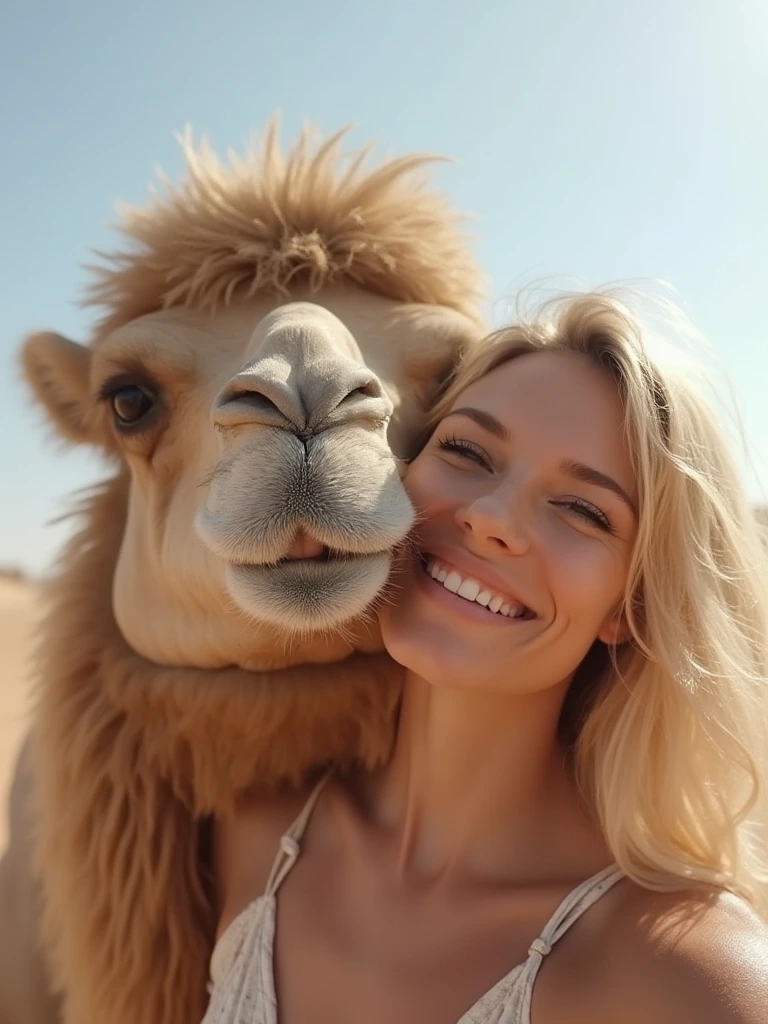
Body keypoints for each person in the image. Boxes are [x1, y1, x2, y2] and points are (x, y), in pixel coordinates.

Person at [204, 291, 768, 1024]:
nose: (491, 517)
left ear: (629, 607)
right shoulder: (250, 835)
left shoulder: (690, 977)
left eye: (584, 510)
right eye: (466, 451)